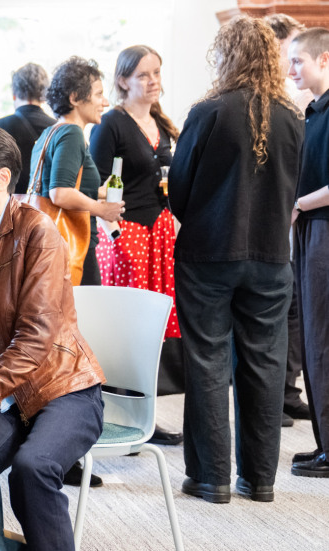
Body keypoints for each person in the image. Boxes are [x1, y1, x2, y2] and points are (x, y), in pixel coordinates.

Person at [0, 124, 105, 551]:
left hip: (64, 390)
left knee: (33, 468)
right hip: (7, 398)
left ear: (1, 178)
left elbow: (36, 336)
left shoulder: (39, 233)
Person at [170, 16, 302, 503]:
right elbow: (296, 188)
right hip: (272, 258)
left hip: (208, 254)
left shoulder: (209, 111)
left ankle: (212, 479)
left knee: (207, 363)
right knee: (266, 366)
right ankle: (261, 480)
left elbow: (178, 192)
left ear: (225, 55)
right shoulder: (293, 117)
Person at [88, 45, 184, 446]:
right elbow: (92, 184)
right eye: (144, 75)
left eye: (157, 73)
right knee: (126, 328)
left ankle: (146, 416)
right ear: (123, 80)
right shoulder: (111, 123)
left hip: (160, 234)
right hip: (126, 234)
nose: (154, 81)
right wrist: (113, 225)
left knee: (153, 329)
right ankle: (115, 416)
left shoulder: (162, 122)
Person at [30, 57, 124, 286]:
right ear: (75, 98)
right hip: (70, 246)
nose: (106, 102)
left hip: (51, 243)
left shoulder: (50, 133)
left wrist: (98, 192)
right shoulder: (72, 133)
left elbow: (59, 186)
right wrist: (102, 210)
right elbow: (60, 193)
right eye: (99, 94)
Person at [265, 13, 312, 426]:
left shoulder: (301, 96)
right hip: (278, 218)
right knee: (278, 310)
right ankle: (271, 393)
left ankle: (287, 388)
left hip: (300, 217)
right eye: (292, 49)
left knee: (295, 309)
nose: (296, 60)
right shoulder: (276, 99)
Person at [288, 27, 329, 478]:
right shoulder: (312, 111)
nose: (290, 70)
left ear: (324, 59)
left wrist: (297, 204)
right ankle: (324, 443)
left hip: (323, 230)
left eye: (298, 60)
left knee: (323, 342)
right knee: (315, 339)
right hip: (311, 230)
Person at [0, 63, 56, 194]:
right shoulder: (59, 129)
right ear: (44, 94)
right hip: (45, 209)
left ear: (14, 93)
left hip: (5, 208)